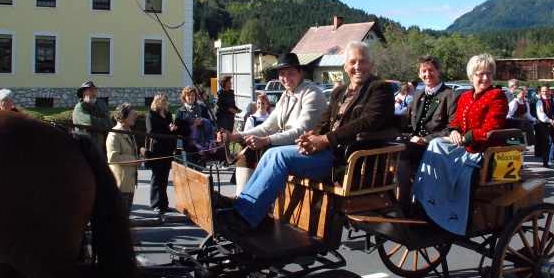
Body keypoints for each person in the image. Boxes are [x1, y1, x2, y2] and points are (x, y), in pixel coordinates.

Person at [216, 41, 395, 233]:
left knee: (279, 157)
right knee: (270, 155)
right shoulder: (339, 92)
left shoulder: (379, 88)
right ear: (345, 67)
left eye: (362, 62)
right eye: (352, 63)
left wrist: (324, 140)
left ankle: (245, 217)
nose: (357, 67)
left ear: (372, 64)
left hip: (347, 160)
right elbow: (323, 122)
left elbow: (365, 122)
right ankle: (242, 204)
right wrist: (310, 136)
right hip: (327, 152)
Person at [413, 53, 509, 235]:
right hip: (463, 146)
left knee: (435, 145)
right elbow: (455, 121)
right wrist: (455, 131)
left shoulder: (497, 96)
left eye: (489, 74)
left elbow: (492, 127)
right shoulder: (465, 97)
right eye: (480, 74)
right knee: (436, 145)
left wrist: (465, 137)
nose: (485, 78)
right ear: (471, 77)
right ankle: (428, 197)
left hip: (483, 150)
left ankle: (445, 209)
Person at [218, 53, 328, 198]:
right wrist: (235, 137)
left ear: (300, 72)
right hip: (288, 144)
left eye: (291, 73)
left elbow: (300, 131)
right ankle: (240, 198)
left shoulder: (312, 93)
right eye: (282, 74)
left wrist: (266, 140)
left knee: (261, 149)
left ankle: (247, 203)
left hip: (306, 148)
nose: (286, 79)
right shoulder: (286, 95)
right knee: (246, 146)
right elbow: (268, 127)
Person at [397, 55, 460, 207]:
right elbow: (404, 119)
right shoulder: (418, 95)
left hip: (435, 150)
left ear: (439, 71)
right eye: (423, 71)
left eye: (431, 70)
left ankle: (404, 205)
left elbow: (452, 129)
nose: (427, 74)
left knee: (400, 154)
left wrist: (425, 139)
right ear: (419, 74)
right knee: (388, 147)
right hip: (414, 145)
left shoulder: (451, 96)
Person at [145, 92, 178, 214]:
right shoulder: (151, 115)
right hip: (156, 149)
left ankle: (164, 203)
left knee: (164, 177)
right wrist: (167, 129)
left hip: (167, 148)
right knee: (156, 177)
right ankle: (155, 204)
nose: (164, 102)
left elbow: (171, 132)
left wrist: (174, 129)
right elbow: (151, 131)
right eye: (162, 100)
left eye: (166, 100)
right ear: (156, 102)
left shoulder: (168, 114)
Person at [106, 103, 140, 218]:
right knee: (118, 218)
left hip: (129, 183)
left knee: (125, 218)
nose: (135, 116)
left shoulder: (128, 132)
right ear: (123, 116)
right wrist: (134, 160)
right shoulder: (115, 133)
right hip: (120, 184)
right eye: (133, 114)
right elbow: (113, 157)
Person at [174, 86, 216, 168]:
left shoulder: (202, 108)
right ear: (184, 97)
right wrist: (193, 126)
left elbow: (211, 123)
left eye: (192, 95)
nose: (191, 97)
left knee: (199, 170)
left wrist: (202, 122)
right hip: (187, 144)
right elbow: (179, 130)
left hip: (201, 143)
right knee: (189, 169)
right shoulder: (180, 111)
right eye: (188, 95)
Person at [72, 81, 112, 150]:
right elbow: (91, 122)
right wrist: (104, 122)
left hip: (101, 147)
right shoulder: (79, 108)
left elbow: (110, 123)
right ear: (84, 94)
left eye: (95, 91)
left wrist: (105, 123)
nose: (94, 94)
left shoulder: (100, 105)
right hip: (87, 147)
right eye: (91, 91)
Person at [535, 86, 554, 169]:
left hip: (552, 123)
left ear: (548, 91)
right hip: (544, 124)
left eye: (546, 91)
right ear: (541, 92)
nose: (545, 93)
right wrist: (550, 121)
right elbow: (541, 115)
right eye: (543, 91)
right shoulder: (540, 101)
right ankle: (545, 162)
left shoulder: (552, 100)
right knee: (545, 142)